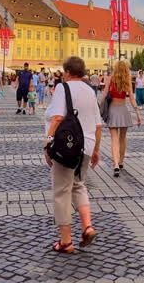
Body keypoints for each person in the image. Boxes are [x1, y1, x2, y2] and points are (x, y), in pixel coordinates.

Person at [43, 56, 102, 254]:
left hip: (68, 145)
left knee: (62, 192)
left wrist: (47, 142)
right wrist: (96, 150)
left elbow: (58, 117)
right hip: (87, 145)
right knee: (78, 184)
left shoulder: (63, 87)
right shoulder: (89, 90)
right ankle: (88, 226)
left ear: (67, 72)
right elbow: (98, 125)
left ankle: (66, 241)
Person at [103, 60, 142, 177]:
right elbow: (132, 99)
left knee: (114, 139)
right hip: (123, 110)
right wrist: (138, 114)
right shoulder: (127, 80)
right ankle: (121, 161)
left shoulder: (110, 79)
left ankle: (115, 164)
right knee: (123, 138)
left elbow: (104, 95)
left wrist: (99, 108)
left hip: (112, 110)